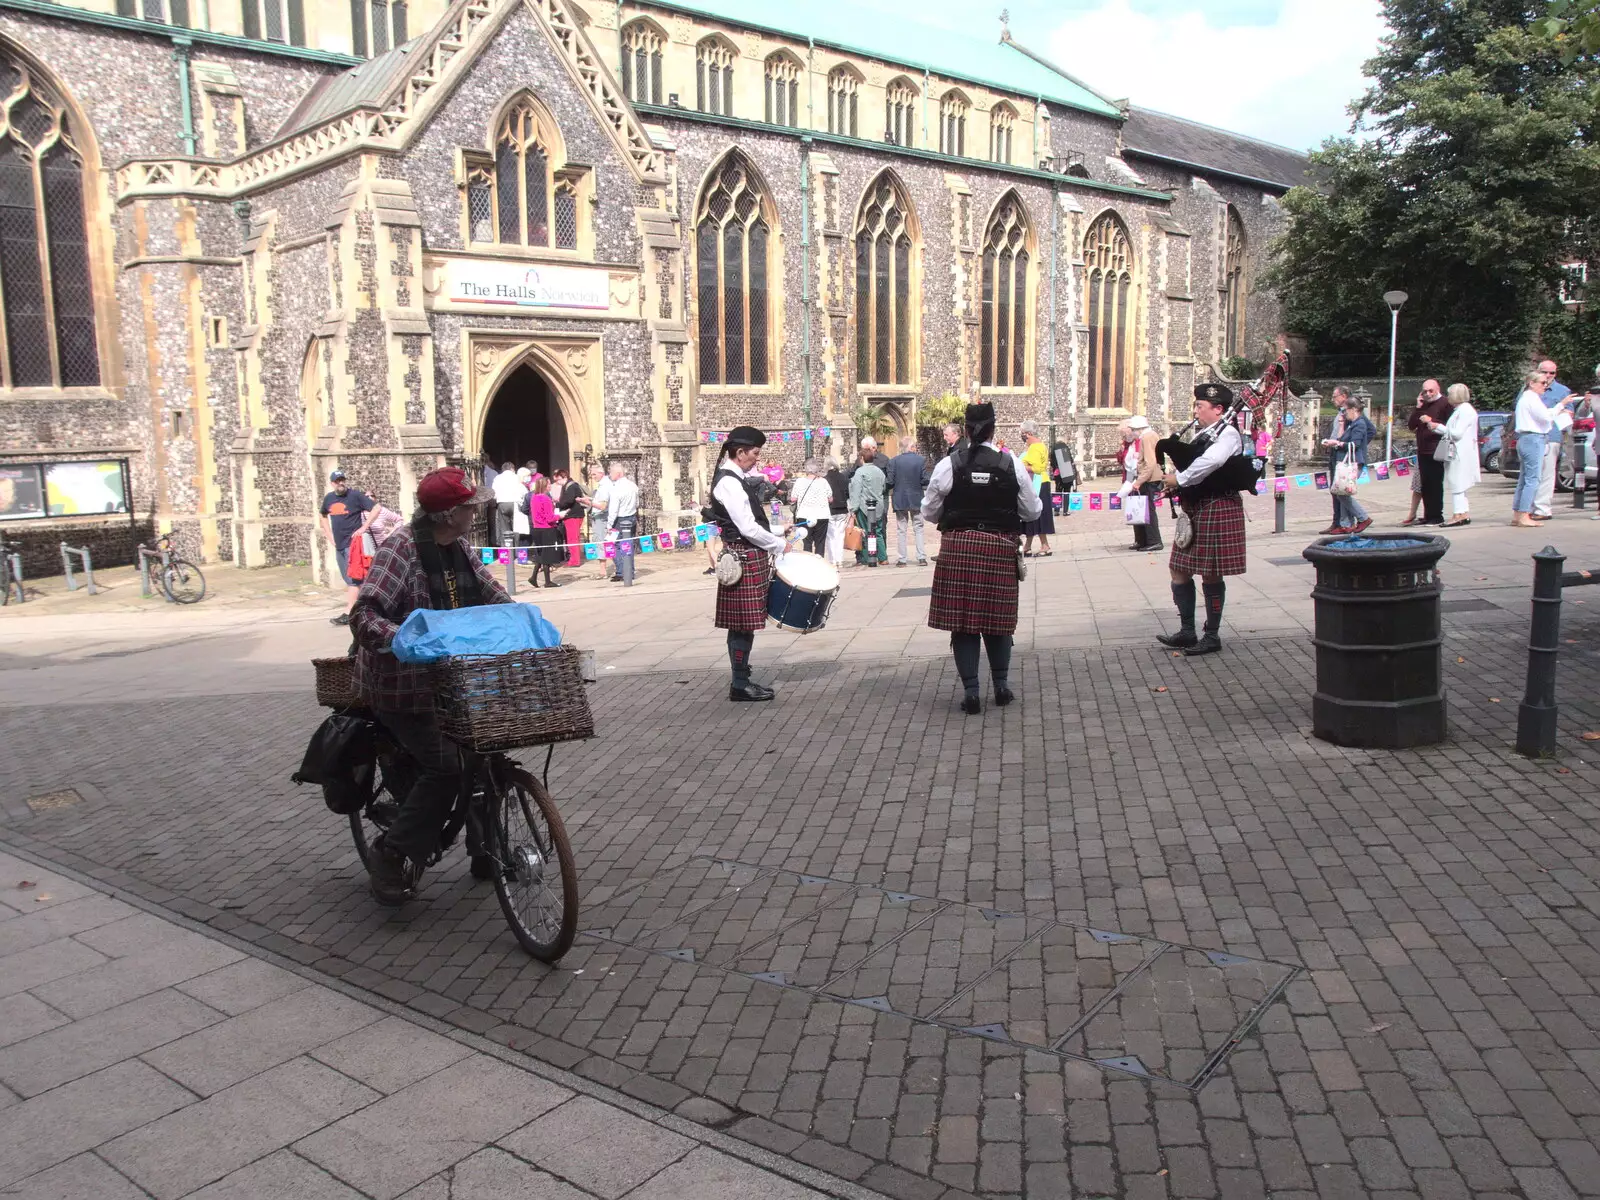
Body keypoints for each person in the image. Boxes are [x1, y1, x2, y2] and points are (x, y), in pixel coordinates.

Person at [350, 466, 512, 905]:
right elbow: (364, 615)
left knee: (488, 752)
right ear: (447, 514)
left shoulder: (458, 546)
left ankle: (487, 850)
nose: (476, 509)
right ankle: (389, 852)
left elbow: (491, 592)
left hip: (455, 681)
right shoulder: (401, 550)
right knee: (446, 766)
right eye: (469, 505)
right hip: (403, 688)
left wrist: (525, 622)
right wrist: (402, 638)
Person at [921, 402, 1041, 714]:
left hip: (959, 548)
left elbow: (929, 511)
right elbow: (1032, 510)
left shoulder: (950, 465)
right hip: (999, 547)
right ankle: (1001, 687)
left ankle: (971, 692)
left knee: (963, 623)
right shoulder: (1010, 463)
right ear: (993, 429)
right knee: (998, 621)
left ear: (966, 430)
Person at [1157, 383, 1248, 657]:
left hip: (1218, 506)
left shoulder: (1228, 434)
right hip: (1197, 508)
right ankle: (1187, 631)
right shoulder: (1205, 433)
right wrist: (1178, 485)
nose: (1196, 410)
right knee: (1178, 568)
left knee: (1210, 573)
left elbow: (1210, 463)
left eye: (1201, 406)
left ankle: (1211, 635)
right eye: (1196, 405)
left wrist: (1180, 479)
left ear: (1218, 409)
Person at [709, 426, 789, 701]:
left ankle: (741, 677)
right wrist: (779, 544)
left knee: (744, 624)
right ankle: (739, 683)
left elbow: (750, 523)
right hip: (744, 555)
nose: (757, 458)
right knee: (743, 624)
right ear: (740, 452)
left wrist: (779, 531)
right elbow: (747, 528)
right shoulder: (730, 482)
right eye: (755, 453)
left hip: (744, 554)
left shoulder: (734, 477)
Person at [321, 469, 375, 627]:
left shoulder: (355, 496)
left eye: (342, 480)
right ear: (332, 483)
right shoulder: (329, 498)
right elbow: (323, 515)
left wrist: (364, 527)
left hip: (353, 545)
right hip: (339, 545)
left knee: (354, 579)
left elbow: (376, 508)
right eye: (337, 481)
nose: (341, 483)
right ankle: (364, 610)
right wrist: (329, 535)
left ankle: (349, 612)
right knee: (351, 579)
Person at [1512, 369, 1556, 527]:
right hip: (1533, 438)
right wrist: (1560, 408)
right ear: (1532, 383)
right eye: (1542, 383)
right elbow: (1545, 417)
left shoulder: (1525, 398)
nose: (1545, 386)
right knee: (1532, 479)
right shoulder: (1532, 398)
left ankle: (1518, 513)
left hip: (1526, 438)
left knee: (1524, 478)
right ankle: (1524, 514)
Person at [1324, 396, 1375, 533]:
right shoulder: (1351, 423)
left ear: (1354, 409)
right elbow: (1341, 438)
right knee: (1341, 492)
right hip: (1346, 461)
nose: (1344, 413)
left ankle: (1363, 518)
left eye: (1345, 410)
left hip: (1353, 462)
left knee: (1343, 493)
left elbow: (1355, 444)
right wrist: (1341, 425)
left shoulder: (1360, 424)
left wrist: (1337, 443)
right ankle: (1347, 524)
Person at [1406, 379, 1451, 525]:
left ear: (1438, 389)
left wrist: (1431, 421)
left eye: (1430, 391)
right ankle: (1428, 515)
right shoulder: (1423, 405)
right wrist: (1418, 407)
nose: (1427, 394)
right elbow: (1412, 425)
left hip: (1436, 449)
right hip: (1423, 449)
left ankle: (1436, 515)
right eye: (1425, 391)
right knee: (1425, 484)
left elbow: (1449, 426)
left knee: (1435, 484)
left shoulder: (1445, 403)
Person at [1117, 417, 1163, 552]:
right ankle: (1142, 540)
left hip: (1148, 479)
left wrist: (1139, 481)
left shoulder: (1147, 437)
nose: (1133, 433)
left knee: (1147, 511)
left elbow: (1150, 463)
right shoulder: (1149, 436)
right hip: (1145, 478)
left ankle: (1153, 540)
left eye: (1133, 430)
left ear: (1139, 428)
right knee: (1141, 510)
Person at [1534, 359, 1572, 520]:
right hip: (1533, 436)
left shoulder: (1562, 391)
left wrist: (1551, 413)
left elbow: (1569, 413)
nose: (1548, 375)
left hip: (1552, 436)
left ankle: (1543, 509)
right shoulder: (1530, 389)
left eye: (1552, 372)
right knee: (1532, 475)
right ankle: (1530, 507)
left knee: (1548, 474)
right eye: (1545, 372)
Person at [1439, 383, 1481, 527]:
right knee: (1458, 483)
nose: (1448, 397)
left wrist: (1438, 427)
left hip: (1459, 452)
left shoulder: (1465, 411)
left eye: (1449, 394)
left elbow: (1456, 433)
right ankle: (1463, 512)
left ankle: (1458, 514)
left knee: (1457, 482)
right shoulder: (1461, 410)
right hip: (1459, 451)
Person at [888, 441, 929, 566]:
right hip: (916, 497)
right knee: (919, 528)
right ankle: (921, 557)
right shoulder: (920, 460)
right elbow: (925, 479)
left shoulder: (894, 461)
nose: (916, 448)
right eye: (915, 446)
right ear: (911, 447)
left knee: (901, 529)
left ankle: (902, 559)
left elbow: (890, 481)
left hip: (900, 498)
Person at [849, 438, 889, 567]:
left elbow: (856, 491)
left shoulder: (860, 472)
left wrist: (853, 509)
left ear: (862, 459)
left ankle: (868, 558)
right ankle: (883, 557)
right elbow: (884, 488)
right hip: (878, 505)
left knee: (865, 532)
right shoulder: (879, 472)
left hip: (864, 507)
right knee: (878, 532)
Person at [1017, 420, 1054, 559]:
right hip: (1037, 483)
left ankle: (1045, 545)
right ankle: (1028, 545)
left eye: (1023, 433)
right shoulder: (1035, 446)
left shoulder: (1035, 447)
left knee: (1037, 514)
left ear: (1029, 433)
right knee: (1032, 515)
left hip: (1038, 484)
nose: (1022, 436)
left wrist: (1020, 466)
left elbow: (1038, 468)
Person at [1319, 387, 1350, 534]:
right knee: (1334, 489)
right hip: (1334, 453)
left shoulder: (1351, 413)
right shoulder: (1340, 413)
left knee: (1341, 490)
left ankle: (1345, 522)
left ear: (1343, 396)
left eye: (1334, 396)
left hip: (1342, 456)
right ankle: (1337, 521)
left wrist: (1353, 447)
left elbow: (1369, 431)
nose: (1332, 399)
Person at [603, 462, 639, 584]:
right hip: (632, 517)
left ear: (618, 473)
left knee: (612, 544)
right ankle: (630, 571)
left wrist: (609, 525)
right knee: (628, 545)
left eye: (611, 473)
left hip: (620, 519)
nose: (609, 475)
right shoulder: (633, 486)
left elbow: (613, 509)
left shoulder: (616, 489)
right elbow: (637, 503)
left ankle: (621, 571)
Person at [789, 459, 834, 557]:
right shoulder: (823, 482)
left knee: (807, 542)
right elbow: (830, 499)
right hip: (821, 515)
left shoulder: (799, 481)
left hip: (804, 515)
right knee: (820, 542)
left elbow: (793, 499)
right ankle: (820, 562)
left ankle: (808, 563)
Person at [525, 476, 562, 588]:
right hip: (546, 528)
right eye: (549, 484)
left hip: (536, 528)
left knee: (540, 553)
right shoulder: (546, 498)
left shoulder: (534, 497)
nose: (550, 486)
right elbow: (550, 518)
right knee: (546, 554)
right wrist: (560, 516)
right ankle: (547, 581)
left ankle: (534, 577)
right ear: (545, 486)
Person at [581, 463, 612, 578]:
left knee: (601, 542)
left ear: (601, 473)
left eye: (594, 474)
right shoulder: (603, 485)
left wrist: (588, 502)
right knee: (604, 542)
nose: (592, 477)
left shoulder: (604, 486)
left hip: (601, 517)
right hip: (600, 516)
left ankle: (603, 571)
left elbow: (603, 506)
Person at [551, 468, 584, 568]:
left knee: (573, 538)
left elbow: (569, 500)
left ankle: (575, 561)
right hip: (572, 515)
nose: (557, 482)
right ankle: (573, 559)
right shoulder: (569, 485)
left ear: (563, 477)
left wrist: (558, 503)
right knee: (571, 538)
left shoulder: (571, 486)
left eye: (557, 480)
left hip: (573, 515)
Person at [823, 457, 849, 566]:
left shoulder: (825, 479)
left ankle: (832, 560)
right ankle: (840, 559)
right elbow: (848, 493)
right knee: (840, 535)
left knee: (830, 537)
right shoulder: (843, 477)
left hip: (830, 510)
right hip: (842, 509)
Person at [490, 461, 522, 546]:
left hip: (502, 503)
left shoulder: (497, 478)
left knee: (504, 528)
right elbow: (522, 491)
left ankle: (505, 550)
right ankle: (516, 548)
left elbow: (494, 493)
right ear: (512, 469)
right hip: (515, 503)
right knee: (516, 527)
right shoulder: (516, 477)